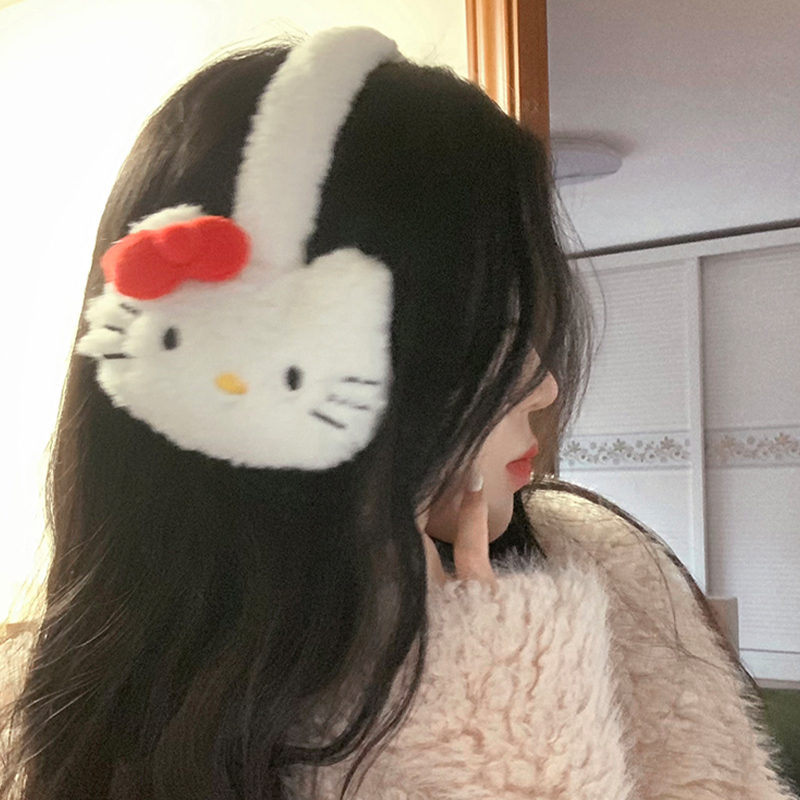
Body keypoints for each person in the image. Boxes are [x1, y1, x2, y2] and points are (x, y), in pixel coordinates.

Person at [1, 26, 796, 800]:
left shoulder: (615, 587)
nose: (547, 387)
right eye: (500, 328)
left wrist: (508, 683)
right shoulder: (51, 716)